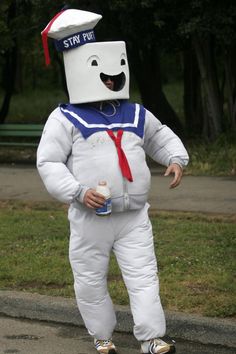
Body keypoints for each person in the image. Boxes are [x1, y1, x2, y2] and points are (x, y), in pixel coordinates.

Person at [37, 8, 189, 354]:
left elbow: (159, 136)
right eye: (101, 76)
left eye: (112, 75)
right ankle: (102, 336)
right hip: (91, 218)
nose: (110, 80)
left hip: (134, 216)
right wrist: (76, 191)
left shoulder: (133, 112)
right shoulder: (65, 118)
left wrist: (176, 158)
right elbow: (48, 161)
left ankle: (151, 338)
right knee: (90, 280)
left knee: (144, 277)